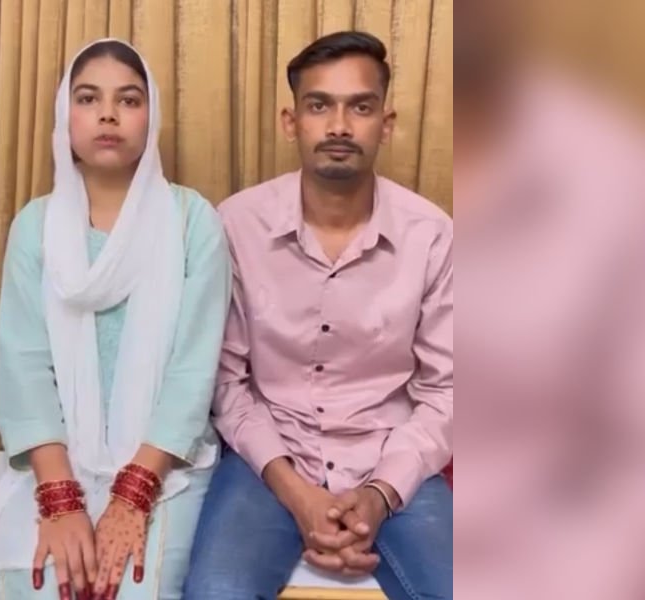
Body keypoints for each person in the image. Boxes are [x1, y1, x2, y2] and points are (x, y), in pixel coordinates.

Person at [183, 31, 453, 600]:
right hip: (270, 459)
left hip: (390, 455)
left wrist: (379, 494)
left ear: (386, 123)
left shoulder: (431, 235)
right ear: (292, 122)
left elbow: (446, 392)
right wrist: (298, 494)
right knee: (216, 591)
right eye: (319, 105)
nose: (339, 126)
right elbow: (225, 383)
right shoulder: (236, 225)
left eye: (361, 107)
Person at [0, 39, 231, 600]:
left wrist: (133, 493)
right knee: (36, 584)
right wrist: (61, 500)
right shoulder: (35, 227)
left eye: (129, 100)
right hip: (58, 460)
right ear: (64, 116)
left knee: (131, 588)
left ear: (151, 117)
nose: (108, 114)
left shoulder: (193, 222)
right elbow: (24, 366)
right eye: (88, 98)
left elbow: (193, 371)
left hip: (166, 463)